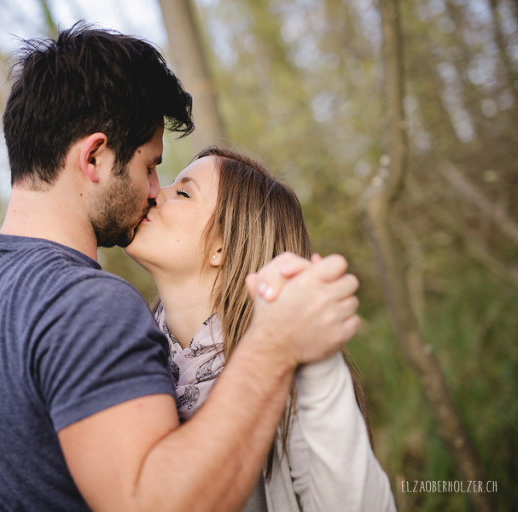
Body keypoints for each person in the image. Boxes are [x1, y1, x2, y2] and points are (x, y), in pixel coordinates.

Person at [0, 24, 362, 512]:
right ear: (95, 157)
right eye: (149, 166)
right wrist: (272, 347)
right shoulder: (89, 303)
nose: (152, 191)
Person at [123, 147, 395, 511]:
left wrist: (319, 364)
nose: (154, 192)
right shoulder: (126, 357)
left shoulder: (289, 373)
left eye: (183, 192)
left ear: (222, 244)